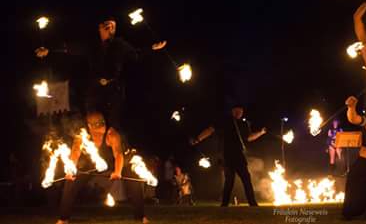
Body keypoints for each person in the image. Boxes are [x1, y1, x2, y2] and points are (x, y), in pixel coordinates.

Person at [35, 18, 167, 146]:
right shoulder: (92, 45)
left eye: (113, 26)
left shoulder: (120, 44)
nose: (110, 28)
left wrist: (152, 48)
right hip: (95, 88)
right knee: (92, 118)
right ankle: (93, 147)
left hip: (113, 88)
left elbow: (136, 53)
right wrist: (49, 51)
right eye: (107, 26)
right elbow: (69, 49)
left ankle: (117, 151)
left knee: (113, 126)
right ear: (101, 28)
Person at [55, 112, 149, 224]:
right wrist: (70, 170)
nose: (102, 126)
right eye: (97, 124)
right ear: (89, 126)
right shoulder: (82, 136)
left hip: (117, 162)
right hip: (92, 164)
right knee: (70, 182)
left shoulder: (111, 134)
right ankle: (63, 218)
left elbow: (118, 154)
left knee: (134, 181)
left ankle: (141, 217)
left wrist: (118, 172)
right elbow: (75, 154)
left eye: (102, 122)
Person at [191, 105, 267, 207]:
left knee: (246, 179)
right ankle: (224, 204)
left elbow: (249, 138)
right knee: (229, 181)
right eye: (236, 110)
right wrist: (198, 139)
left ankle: (252, 203)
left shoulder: (243, 124)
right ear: (232, 111)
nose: (239, 113)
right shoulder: (225, 121)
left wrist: (261, 133)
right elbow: (210, 130)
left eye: (241, 111)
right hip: (227, 155)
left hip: (239, 156)